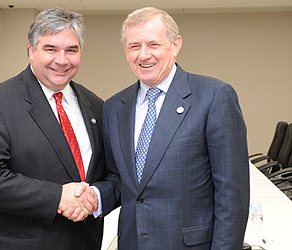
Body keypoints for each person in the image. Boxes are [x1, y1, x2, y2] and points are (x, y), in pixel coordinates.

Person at [89, 7, 249, 250]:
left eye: (153, 44)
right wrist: (94, 197)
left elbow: (232, 195)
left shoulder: (214, 96)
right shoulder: (113, 107)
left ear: (175, 45)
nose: (143, 55)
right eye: (134, 46)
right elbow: (120, 180)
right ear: (125, 51)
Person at [0, 7, 105, 250]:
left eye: (71, 50)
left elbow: (106, 172)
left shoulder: (94, 105)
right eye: (50, 49)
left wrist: (96, 196)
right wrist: (57, 197)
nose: (62, 60)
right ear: (31, 51)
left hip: (84, 241)